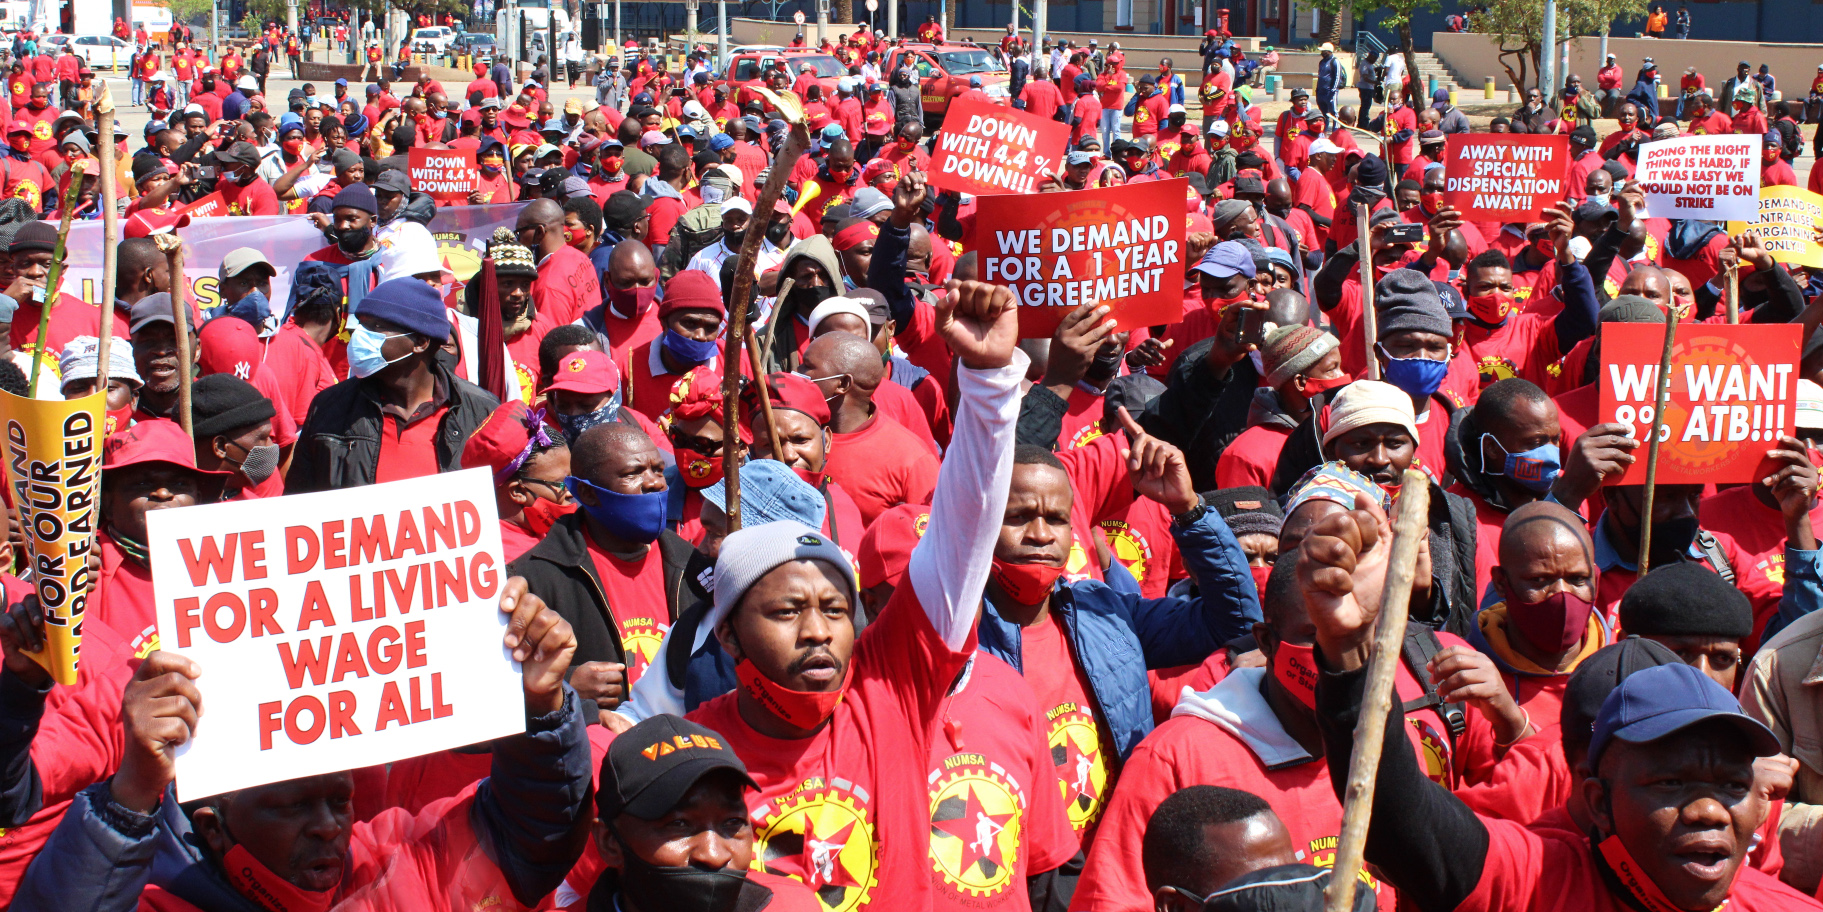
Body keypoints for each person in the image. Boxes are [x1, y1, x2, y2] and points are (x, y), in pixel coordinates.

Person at [1300, 501, 1823, 912]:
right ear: (1596, 800)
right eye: (1670, 783)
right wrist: (1350, 651)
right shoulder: (1530, 881)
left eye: (1733, 786)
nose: (1709, 811)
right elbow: (1397, 819)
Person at [6, 577, 594, 912]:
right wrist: (132, 791)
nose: (327, 827)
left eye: (339, 801)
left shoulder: (395, 862)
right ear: (213, 825)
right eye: (289, 806)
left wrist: (542, 710)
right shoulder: (160, 900)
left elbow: (532, 836)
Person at [287, 278, 499, 492]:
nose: (359, 335)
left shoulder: (481, 412)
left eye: (377, 327)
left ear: (420, 342)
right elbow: (299, 502)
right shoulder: (328, 407)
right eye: (362, 324)